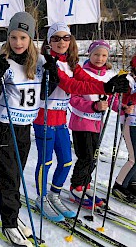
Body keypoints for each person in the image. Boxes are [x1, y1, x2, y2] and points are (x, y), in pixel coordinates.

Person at [33, 23, 129, 222]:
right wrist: (104, 85)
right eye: (56, 38)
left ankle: (54, 195)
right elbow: (71, 85)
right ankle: (41, 199)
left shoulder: (71, 64)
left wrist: (109, 87)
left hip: (60, 119)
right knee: (46, 161)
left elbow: (86, 80)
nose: (61, 42)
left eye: (66, 38)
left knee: (67, 161)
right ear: (49, 41)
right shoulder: (45, 60)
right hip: (43, 117)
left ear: (71, 41)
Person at [0, 12, 59, 247]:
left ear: (31, 38)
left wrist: (53, 76)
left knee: (17, 175)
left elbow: (44, 93)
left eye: (23, 37)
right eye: (13, 37)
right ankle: (9, 222)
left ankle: (13, 216)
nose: (18, 43)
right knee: (9, 177)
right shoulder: (3, 62)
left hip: (25, 127)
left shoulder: (40, 62)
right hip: (5, 127)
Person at [68, 40, 133, 208]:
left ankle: (85, 185)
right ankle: (76, 187)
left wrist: (122, 108)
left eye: (104, 55)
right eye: (96, 54)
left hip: (97, 124)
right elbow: (74, 99)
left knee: (93, 157)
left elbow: (111, 99)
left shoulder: (107, 76)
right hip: (81, 122)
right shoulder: (81, 73)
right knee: (86, 156)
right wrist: (93, 106)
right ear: (89, 54)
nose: (100, 58)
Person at [112, 54, 136, 203]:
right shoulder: (129, 79)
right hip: (130, 123)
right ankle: (119, 186)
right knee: (134, 158)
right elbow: (121, 98)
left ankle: (132, 182)